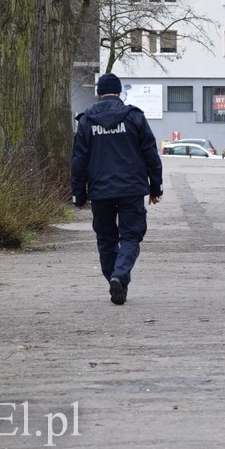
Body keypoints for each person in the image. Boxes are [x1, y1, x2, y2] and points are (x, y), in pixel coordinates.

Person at [71, 73, 164, 305]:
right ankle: (119, 275)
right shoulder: (134, 118)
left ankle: (114, 277)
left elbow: (78, 161)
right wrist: (156, 187)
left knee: (105, 239)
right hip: (131, 190)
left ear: (98, 93)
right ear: (120, 93)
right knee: (130, 236)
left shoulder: (86, 122)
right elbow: (150, 154)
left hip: (100, 191)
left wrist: (79, 195)